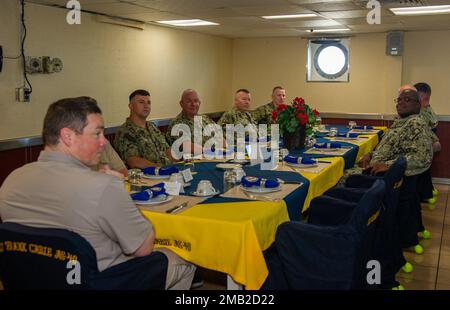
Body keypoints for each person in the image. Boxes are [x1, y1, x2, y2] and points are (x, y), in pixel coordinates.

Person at [0, 97, 195, 289]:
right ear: (68, 136)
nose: (103, 142)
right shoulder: (103, 187)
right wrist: (120, 191)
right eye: (97, 134)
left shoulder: (11, 181)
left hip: (34, 280)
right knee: (184, 260)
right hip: (102, 281)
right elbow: (143, 247)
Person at [357, 88, 432, 177]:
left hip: (387, 179)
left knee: (341, 179)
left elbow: (421, 158)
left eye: (407, 100)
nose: (400, 102)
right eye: (399, 100)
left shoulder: (416, 123)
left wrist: (388, 165)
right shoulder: (401, 122)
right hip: (374, 170)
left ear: (418, 105)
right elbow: (392, 150)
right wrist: (370, 155)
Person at [114, 90, 176, 168]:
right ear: (131, 106)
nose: (146, 106)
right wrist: (160, 169)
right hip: (147, 177)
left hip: (168, 172)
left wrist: (173, 166)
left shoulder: (152, 126)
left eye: (148, 103)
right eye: (141, 102)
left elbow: (167, 150)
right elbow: (134, 161)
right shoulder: (125, 131)